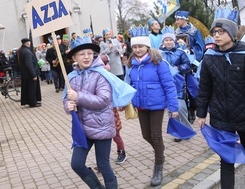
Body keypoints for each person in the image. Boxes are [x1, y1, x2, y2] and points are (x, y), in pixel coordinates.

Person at [196, 5, 245, 189]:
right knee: (226, 159)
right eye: (215, 31)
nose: (217, 35)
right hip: (221, 117)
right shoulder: (209, 58)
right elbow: (204, 88)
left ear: (232, 33)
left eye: (221, 31)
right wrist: (202, 113)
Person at [126, 25, 179, 186]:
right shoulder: (132, 64)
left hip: (156, 104)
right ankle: (160, 150)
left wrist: (174, 107)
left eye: (140, 46)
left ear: (147, 46)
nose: (137, 50)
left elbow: (169, 85)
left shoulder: (158, 63)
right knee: (145, 135)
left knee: (156, 135)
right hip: (141, 105)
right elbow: (128, 85)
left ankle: (159, 166)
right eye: (134, 47)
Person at [63, 37, 118, 188]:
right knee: (77, 164)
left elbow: (103, 100)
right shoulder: (71, 77)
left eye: (89, 53)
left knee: (103, 164)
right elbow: (66, 101)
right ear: (74, 57)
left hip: (102, 126)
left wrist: (78, 97)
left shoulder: (101, 74)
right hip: (82, 129)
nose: (86, 56)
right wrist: (69, 106)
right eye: (82, 54)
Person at [159, 27, 196, 142]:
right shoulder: (159, 53)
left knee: (181, 108)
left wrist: (178, 68)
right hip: (165, 84)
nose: (168, 42)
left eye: (171, 40)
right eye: (166, 40)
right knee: (171, 109)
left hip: (179, 83)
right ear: (163, 42)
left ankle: (187, 130)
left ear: (174, 40)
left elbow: (187, 65)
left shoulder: (180, 52)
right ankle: (177, 132)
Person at [174, 10, 205, 123]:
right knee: (181, 88)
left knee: (192, 87)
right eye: (176, 19)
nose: (177, 21)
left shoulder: (194, 32)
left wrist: (192, 53)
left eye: (179, 19)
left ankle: (192, 109)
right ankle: (185, 111)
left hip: (191, 64)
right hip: (180, 63)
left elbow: (201, 46)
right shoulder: (175, 32)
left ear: (185, 19)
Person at [18, 38, 42, 107]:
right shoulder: (27, 52)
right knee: (32, 89)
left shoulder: (22, 50)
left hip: (26, 74)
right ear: (27, 43)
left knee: (28, 89)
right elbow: (29, 64)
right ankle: (33, 103)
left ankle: (29, 101)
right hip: (30, 75)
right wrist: (33, 75)